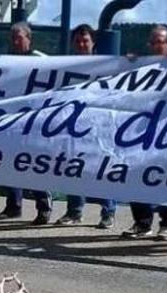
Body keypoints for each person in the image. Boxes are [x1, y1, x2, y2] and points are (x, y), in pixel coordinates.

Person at [121, 25, 167, 241]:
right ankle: (142, 222)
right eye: (153, 41)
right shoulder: (141, 66)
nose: (157, 45)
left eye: (161, 41)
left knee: (165, 178)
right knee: (134, 175)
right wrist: (127, 64)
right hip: (139, 131)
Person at [54, 24, 117, 229]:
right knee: (73, 167)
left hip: (100, 124)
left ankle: (108, 212)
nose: (82, 44)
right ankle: (74, 211)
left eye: (85, 40)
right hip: (73, 124)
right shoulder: (66, 66)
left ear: (93, 42)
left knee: (103, 168)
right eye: (78, 41)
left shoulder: (106, 65)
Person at [0, 22, 53, 224]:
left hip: (33, 121)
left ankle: (43, 206)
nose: (16, 41)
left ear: (29, 38)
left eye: (19, 37)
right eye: (13, 38)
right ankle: (13, 205)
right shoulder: (6, 61)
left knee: (33, 163)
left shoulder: (40, 59)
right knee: (9, 163)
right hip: (11, 120)